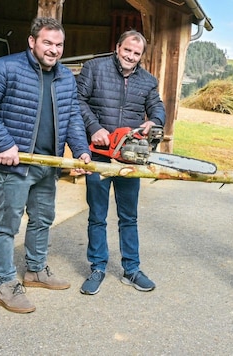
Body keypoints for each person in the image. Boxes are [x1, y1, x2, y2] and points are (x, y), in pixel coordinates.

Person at [0, 17, 92, 314]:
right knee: (7, 226)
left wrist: (81, 152)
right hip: (15, 165)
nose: (53, 50)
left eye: (59, 45)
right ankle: (6, 284)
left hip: (47, 165)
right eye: (47, 42)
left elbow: (73, 116)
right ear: (32, 41)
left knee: (42, 219)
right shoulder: (7, 67)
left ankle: (36, 270)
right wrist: (4, 143)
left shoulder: (65, 77)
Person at [76, 30, 166, 295]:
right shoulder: (94, 69)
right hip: (99, 154)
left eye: (136, 53)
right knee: (97, 214)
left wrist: (155, 121)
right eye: (127, 50)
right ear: (117, 48)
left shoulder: (148, 81)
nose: (131, 56)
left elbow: (157, 107)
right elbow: (77, 101)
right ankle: (98, 267)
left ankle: (131, 269)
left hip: (129, 156)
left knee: (129, 216)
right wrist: (93, 127)